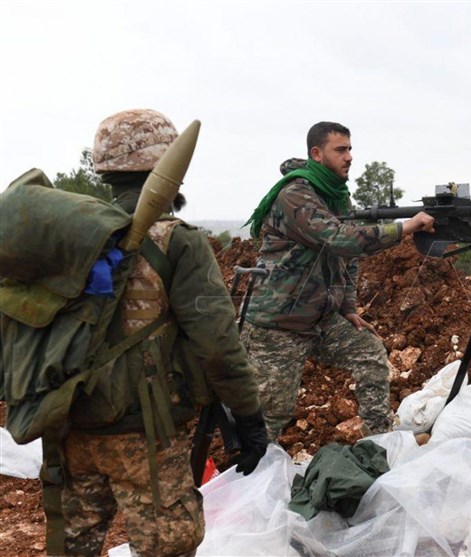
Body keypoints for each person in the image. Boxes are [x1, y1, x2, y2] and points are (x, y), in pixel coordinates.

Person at [59, 109, 268, 556]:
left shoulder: (71, 236)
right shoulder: (178, 241)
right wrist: (248, 416)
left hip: (69, 424)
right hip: (144, 433)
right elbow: (217, 346)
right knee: (168, 545)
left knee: (73, 545)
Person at [242, 121, 434, 442]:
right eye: (340, 150)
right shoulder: (295, 196)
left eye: (350, 149)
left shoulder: (336, 196)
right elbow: (339, 239)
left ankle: (381, 441)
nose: (349, 157)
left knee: (370, 355)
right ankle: (253, 479)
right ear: (317, 154)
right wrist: (405, 228)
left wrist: (347, 306)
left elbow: (349, 258)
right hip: (277, 325)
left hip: (319, 318)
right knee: (272, 413)